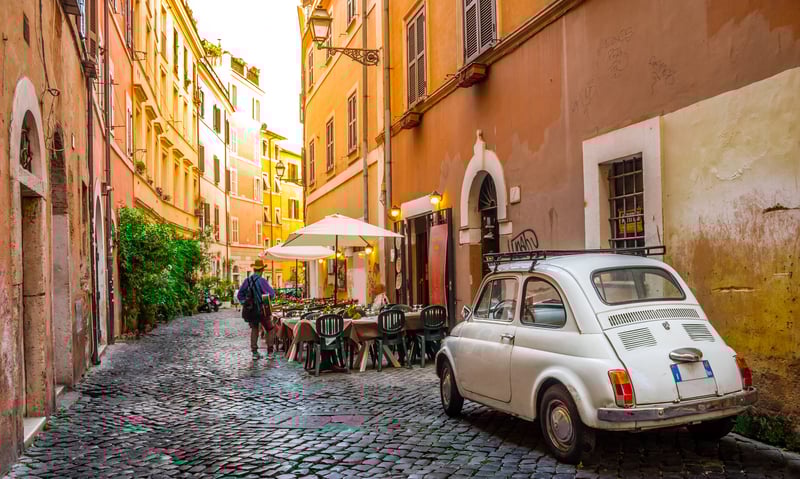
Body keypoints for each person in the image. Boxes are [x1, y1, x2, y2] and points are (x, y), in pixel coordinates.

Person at [237, 260, 276, 359]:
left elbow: (239, 295)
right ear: (262, 270)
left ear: (254, 269)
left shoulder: (247, 280)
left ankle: (254, 353)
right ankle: (270, 352)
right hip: (262, 310)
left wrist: (245, 303)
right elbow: (271, 294)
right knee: (270, 329)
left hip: (251, 311)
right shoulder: (262, 281)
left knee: (254, 329)